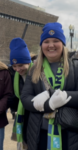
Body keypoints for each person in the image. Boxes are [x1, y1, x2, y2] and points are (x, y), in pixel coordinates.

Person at [21, 22, 78, 150]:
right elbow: (25, 98)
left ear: (63, 44)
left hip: (70, 134)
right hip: (40, 133)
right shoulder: (34, 69)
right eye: (46, 41)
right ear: (41, 46)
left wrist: (58, 95)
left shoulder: (75, 67)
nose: (51, 45)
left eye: (55, 41)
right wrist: (49, 105)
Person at [8, 37, 32, 150]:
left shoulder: (37, 74)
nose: (18, 69)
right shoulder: (14, 76)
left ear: (28, 62)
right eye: (14, 66)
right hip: (22, 117)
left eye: (21, 65)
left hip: (33, 117)